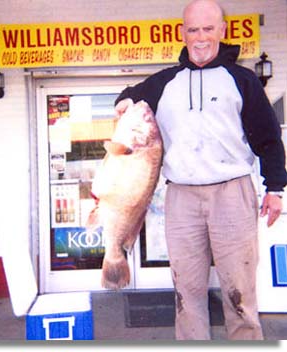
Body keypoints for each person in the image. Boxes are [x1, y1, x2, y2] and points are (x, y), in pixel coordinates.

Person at [114, 0, 287, 340]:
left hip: (232, 192)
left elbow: (269, 139)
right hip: (181, 196)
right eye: (193, 29)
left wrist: (276, 189)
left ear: (222, 31)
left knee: (240, 293)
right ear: (183, 33)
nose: (201, 37)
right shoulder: (165, 82)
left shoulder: (243, 80)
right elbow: (129, 95)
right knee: (186, 293)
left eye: (208, 28)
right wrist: (122, 102)